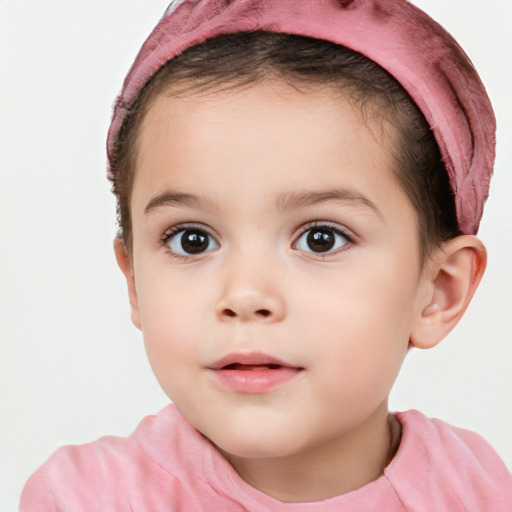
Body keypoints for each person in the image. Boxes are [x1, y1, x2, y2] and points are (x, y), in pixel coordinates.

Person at [19, 0, 512, 509]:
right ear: (135, 283)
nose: (246, 295)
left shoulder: (479, 492)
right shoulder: (86, 498)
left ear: (438, 290)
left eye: (321, 238)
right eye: (192, 239)